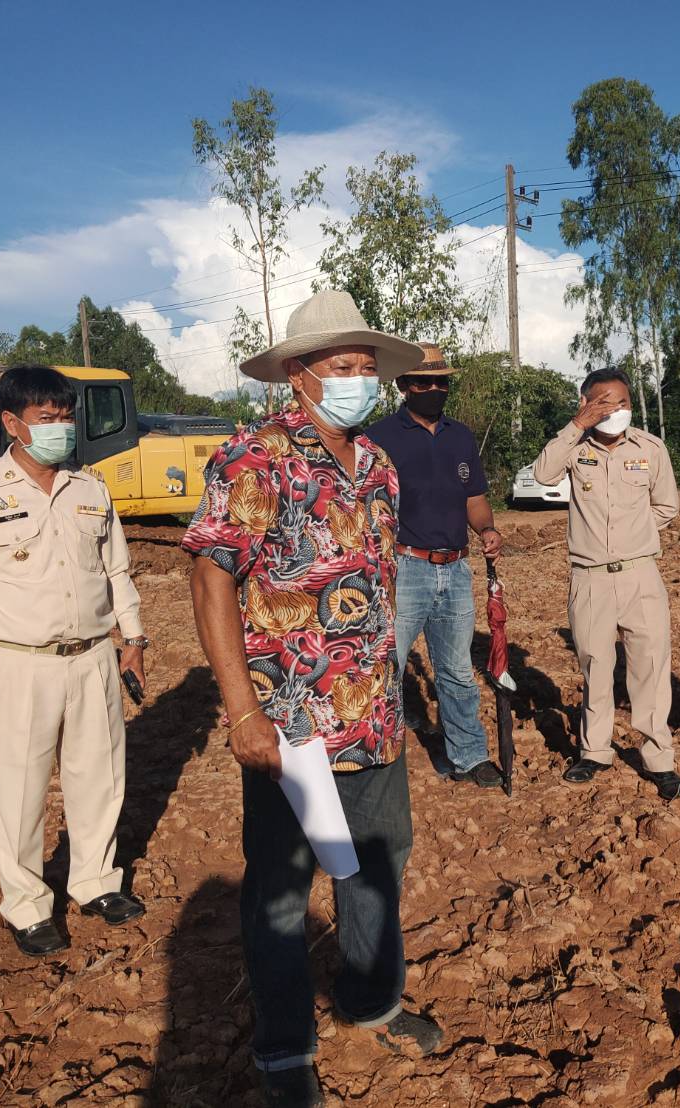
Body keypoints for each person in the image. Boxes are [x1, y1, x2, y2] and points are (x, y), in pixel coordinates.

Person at [184, 290, 443, 1106]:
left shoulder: (378, 466)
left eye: (367, 369)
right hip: (290, 725)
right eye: (342, 367)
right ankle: (284, 1050)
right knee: (283, 890)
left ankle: (373, 1000)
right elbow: (209, 576)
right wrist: (241, 710)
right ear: (298, 375)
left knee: (375, 865)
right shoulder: (251, 459)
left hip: (372, 716)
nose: (359, 381)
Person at [0, 366, 148, 958]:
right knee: (20, 789)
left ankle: (96, 882)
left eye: (64, 417)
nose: (60, 428)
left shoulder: (90, 489)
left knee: (99, 778)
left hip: (92, 659)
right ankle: (27, 906)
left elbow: (116, 570)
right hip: (18, 664)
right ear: (11, 423)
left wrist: (133, 637)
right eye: (45, 419)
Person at [531, 367, 680, 801]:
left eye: (622, 402)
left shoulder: (651, 449)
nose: (615, 410)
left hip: (640, 575)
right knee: (596, 665)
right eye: (604, 402)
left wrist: (635, 539)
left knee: (649, 668)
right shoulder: (574, 447)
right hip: (590, 578)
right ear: (585, 405)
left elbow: (666, 506)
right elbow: (542, 474)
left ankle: (659, 759)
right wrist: (576, 426)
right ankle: (595, 751)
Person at [364, 343, 504, 790]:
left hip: (457, 571)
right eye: (422, 382)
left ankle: (468, 756)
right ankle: (377, 759)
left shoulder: (461, 437)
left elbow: (474, 500)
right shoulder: (377, 437)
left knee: (458, 671)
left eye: (440, 381)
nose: (433, 389)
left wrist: (486, 531)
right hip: (405, 569)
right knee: (388, 666)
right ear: (403, 386)